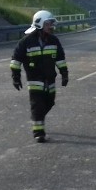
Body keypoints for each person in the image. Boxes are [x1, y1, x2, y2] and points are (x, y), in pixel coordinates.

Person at [10, 10, 68, 143]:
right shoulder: (26, 42)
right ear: (40, 24)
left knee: (49, 103)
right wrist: (16, 77)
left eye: (52, 24)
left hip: (50, 80)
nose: (51, 27)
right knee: (38, 105)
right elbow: (15, 60)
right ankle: (38, 132)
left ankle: (38, 118)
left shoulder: (54, 40)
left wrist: (64, 74)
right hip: (35, 81)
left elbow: (60, 58)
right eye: (49, 24)